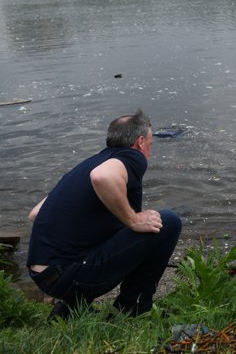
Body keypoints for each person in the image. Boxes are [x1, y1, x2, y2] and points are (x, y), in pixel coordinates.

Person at [26, 109, 182, 320]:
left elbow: (35, 214)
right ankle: (131, 310)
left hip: (44, 276)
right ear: (140, 142)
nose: (149, 152)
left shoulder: (88, 163)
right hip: (70, 278)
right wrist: (133, 220)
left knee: (112, 230)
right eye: (150, 146)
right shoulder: (132, 157)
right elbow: (102, 177)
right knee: (167, 222)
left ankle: (70, 310)